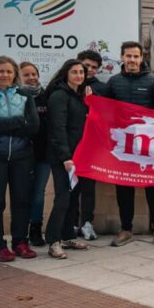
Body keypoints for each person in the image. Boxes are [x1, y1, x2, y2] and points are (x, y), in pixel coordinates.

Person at [0, 56, 40, 261]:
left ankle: (20, 242)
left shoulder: (25, 95)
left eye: (9, 71)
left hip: (22, 157)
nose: (5, 75)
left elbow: (33, 126)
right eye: (1, 71)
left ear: (15, 75)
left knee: (21, 201)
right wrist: (17, 122)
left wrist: (1, 124)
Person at [106, 41, 154, 247]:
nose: (132, 60)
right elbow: (105, 111)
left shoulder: (153, 82)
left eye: (135, 56)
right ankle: (126, 229)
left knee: (152, 187)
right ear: (122, 57)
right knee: (124, 185)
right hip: (123, 144)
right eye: (128, 56)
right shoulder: (113, 82)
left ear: (141, 58)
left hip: (148, 143)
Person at [43, 60, 90, 259]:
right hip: (64, 157)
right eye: (74, 72)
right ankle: (53, 241)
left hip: (79, 156)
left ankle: (67, 236)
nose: (79, 75)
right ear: (66, 74)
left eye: (81, 72)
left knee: (72, 199)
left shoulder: (79, 97)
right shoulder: (59, 96)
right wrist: (65, 157)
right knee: (63, 198)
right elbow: (58, 129)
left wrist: (90, 101)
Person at [75, 49, 106, 241]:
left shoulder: (102, 88)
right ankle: (70, 223)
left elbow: (109, 114)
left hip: (93, 144)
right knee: (70, 187)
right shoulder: (67, 85)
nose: (90, 70)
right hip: (72, 143)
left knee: (88, 186)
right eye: (87, 66)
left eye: (94, 67)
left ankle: (87, 222)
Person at [20, 62, 50, 248]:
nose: (32, 77)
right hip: (21, 154)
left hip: (44, 153)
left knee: (38, 194)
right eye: (27, 75)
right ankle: (20, 232)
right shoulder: (16, 96)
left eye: (34, 74)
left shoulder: (46, 96)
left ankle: (36, 229)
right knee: (22, 194)